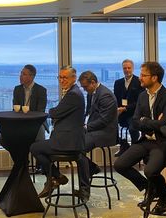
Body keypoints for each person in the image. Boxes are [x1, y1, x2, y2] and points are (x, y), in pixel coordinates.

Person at [114, 61, 166, 215]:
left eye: (143, 75)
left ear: (154, 78)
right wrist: (152, 123)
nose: (140, 78)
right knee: (120, 165)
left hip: (162, 143)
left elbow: (164, 125)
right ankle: (151, 188)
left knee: (150, 171)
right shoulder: (142, 96)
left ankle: (165, 196)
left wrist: (145, 121)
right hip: (145, 141)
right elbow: (135, 122)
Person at [30, 66, 90, 201]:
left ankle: (56, 177)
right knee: (40, 147)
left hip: (68, 142)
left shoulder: (73, 95)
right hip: (70, 139)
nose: (62, 80)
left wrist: (52, 112)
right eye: (60, 77)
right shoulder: (73, 92)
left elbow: (55, 112)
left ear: (74, 78)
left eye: (65, 77)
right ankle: (55, 178)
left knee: (34, 148)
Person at [78, 71, 118, 176]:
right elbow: (88, 113)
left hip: (106, 132)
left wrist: (86, 127)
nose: (84, 89)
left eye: (85, 87)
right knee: (73, 143)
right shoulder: (91, 93)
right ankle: (91, 168)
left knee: (78, 147)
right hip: (95, 129)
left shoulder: (106, 95)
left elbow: (104, 121)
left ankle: (89, 172)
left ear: (93, 82)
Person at [113, 59, 143, 157]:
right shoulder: (118, 83)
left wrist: (125, 109)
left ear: (133, 68)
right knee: (109, 124)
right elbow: (115, 99)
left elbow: (139, 102)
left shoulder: (139, 82)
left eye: (129, 68)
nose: (127, 70)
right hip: (121, 113)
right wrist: (117, 110)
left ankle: (135, 149)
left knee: (133, 128)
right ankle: (123, 145)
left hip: (134, 113)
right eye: (125, 68)